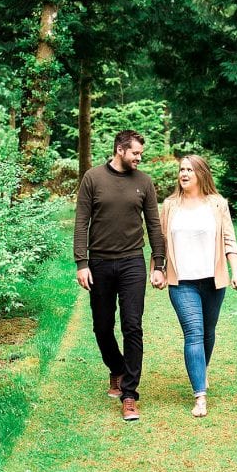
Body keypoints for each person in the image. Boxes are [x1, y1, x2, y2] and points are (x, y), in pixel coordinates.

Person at [74, 129, 166, 422]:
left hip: (132, 264)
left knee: (132, 326)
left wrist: (159, 264)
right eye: (135, 153)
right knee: (102, 327)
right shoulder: (93, 178)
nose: (140, 158)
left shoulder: (145, 182)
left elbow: (154, 226)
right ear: (119, 150)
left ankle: (129, 395)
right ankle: (116, 367)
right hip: (99, 263)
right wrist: (82, 263)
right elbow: (81, 223)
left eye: (141, 153)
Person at [158, 154, 237, 417]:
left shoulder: (217, 204)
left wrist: (236, 271)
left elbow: (229, 240)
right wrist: (158, 269)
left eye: (189, 170)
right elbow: (161, 242)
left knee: (208, 331)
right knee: (194, 332)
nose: (184, 174)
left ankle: (200, 371)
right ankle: (200, 396)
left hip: (213, 281)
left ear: (201, 174)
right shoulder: (170, 205)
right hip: (182, 282)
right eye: (181, 170)